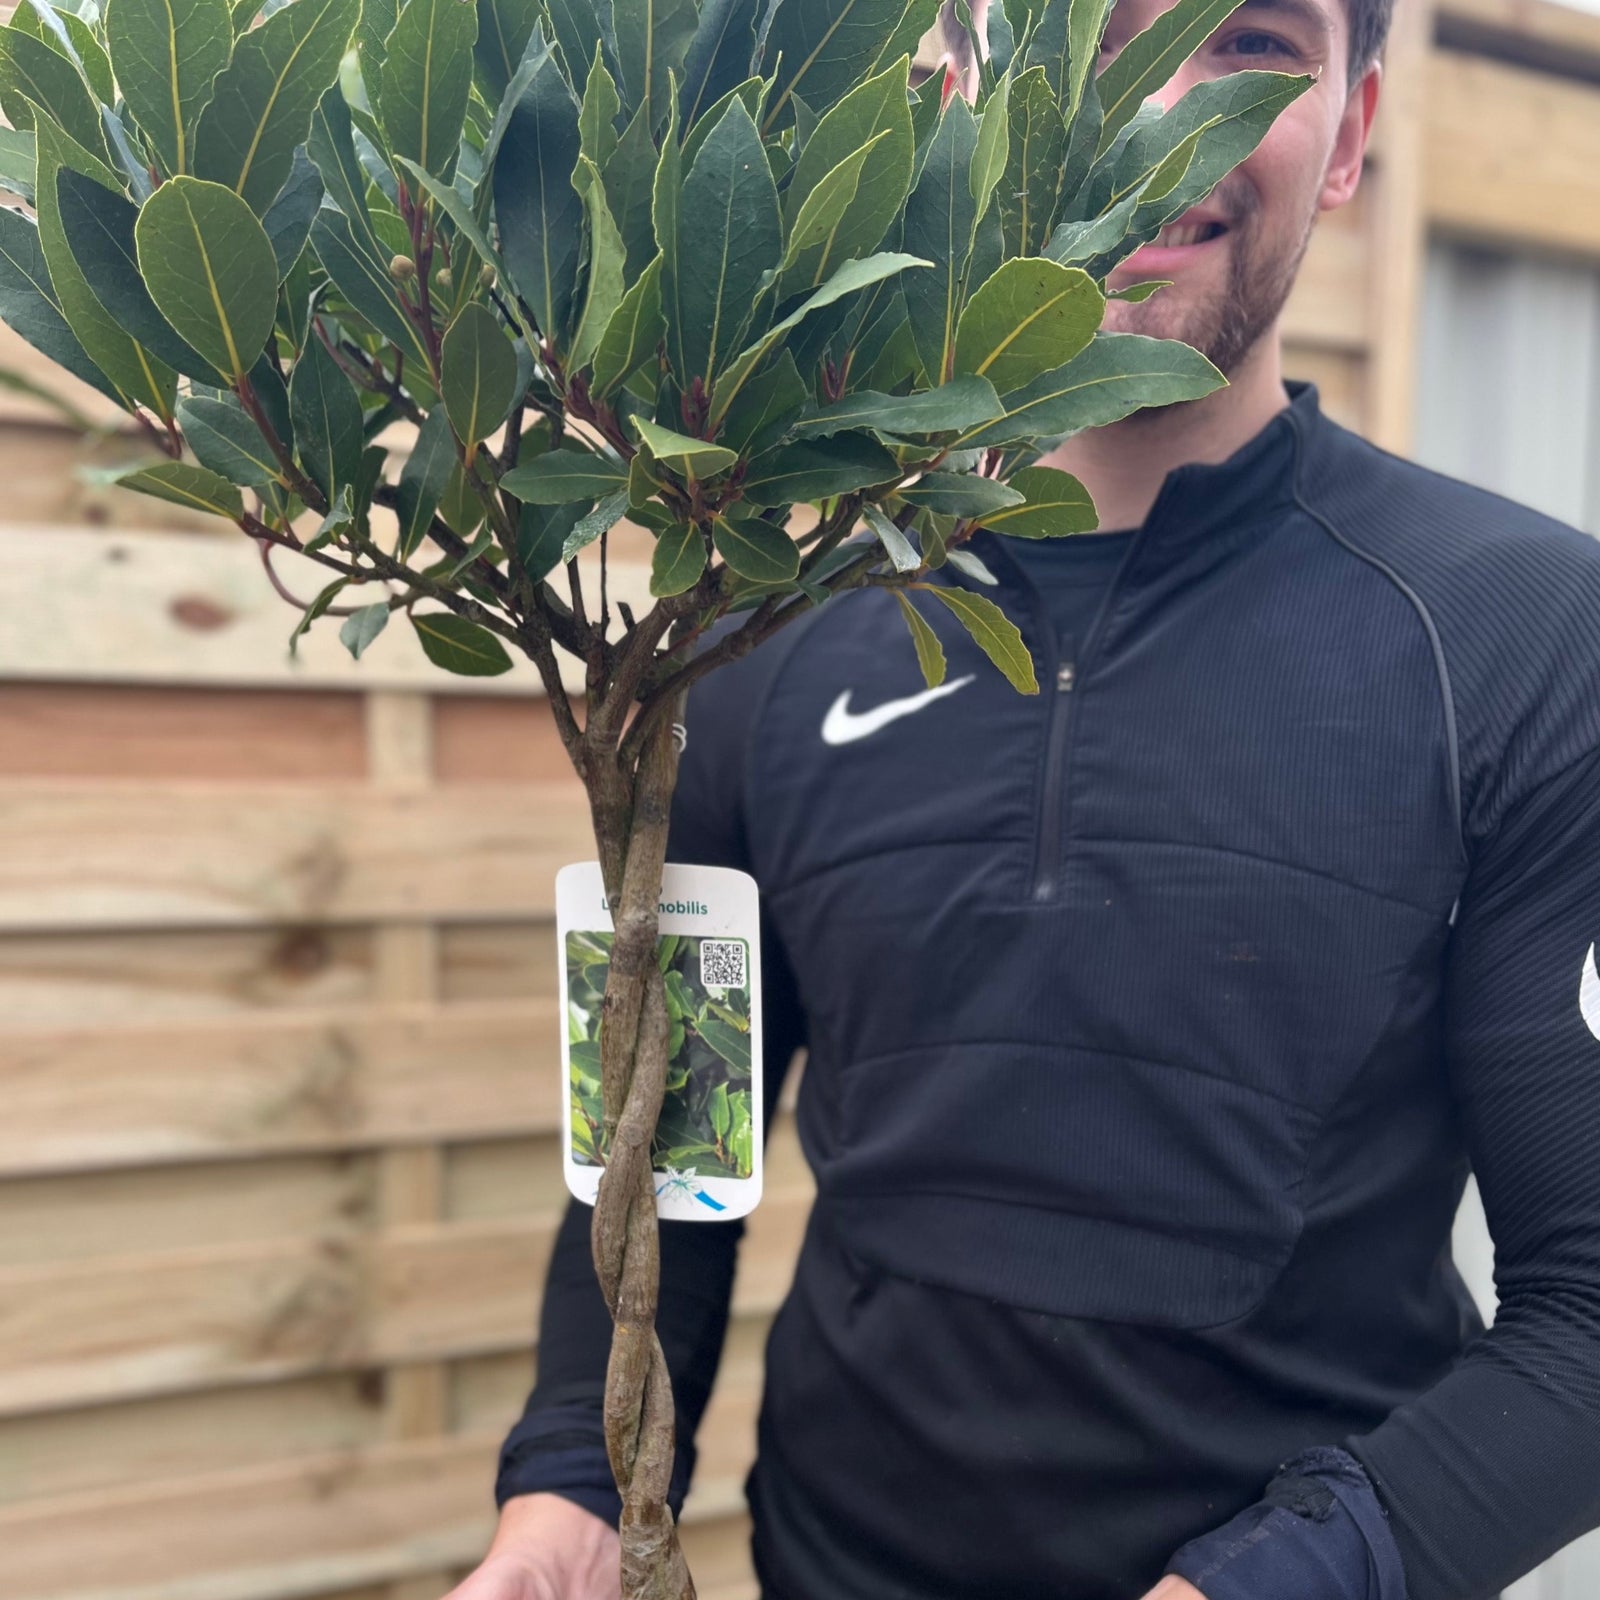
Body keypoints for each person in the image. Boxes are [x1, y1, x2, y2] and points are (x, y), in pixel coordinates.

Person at [453, 0, 1600, 1591]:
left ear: (1350, 133)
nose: (1145, 110)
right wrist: (570, 1488)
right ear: (954, 96)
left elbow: (1592, 1302)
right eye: (1079, 26)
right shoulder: (747, 628)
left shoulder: (1530, 634)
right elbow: (670, 1150)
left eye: (1246, 40)